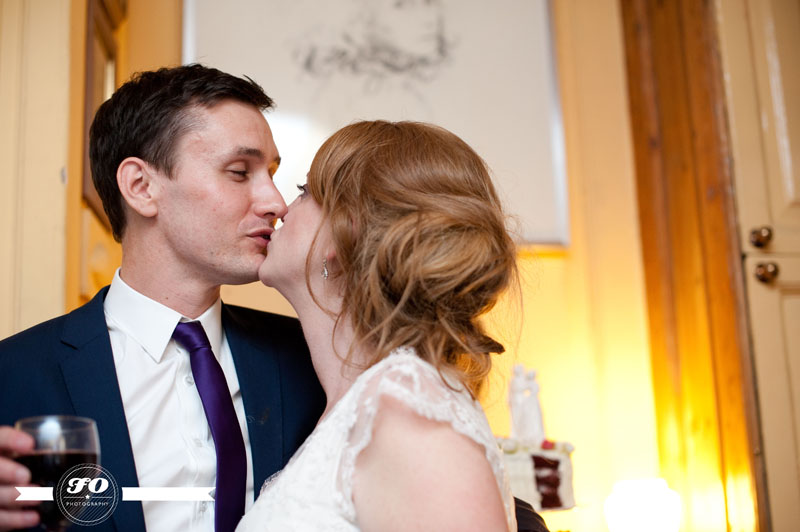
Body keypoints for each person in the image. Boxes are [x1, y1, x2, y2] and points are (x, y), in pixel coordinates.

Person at [0, 64, 325, 532]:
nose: (275, 202)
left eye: (272, 174)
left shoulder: (306, 359)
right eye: (240, 172)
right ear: (141, 187)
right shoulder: (17, 374)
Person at [236, 120, 540, 531]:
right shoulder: (362, 402)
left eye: (306, 193)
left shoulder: (407, 409)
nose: (283, 209)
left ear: (346, 234)